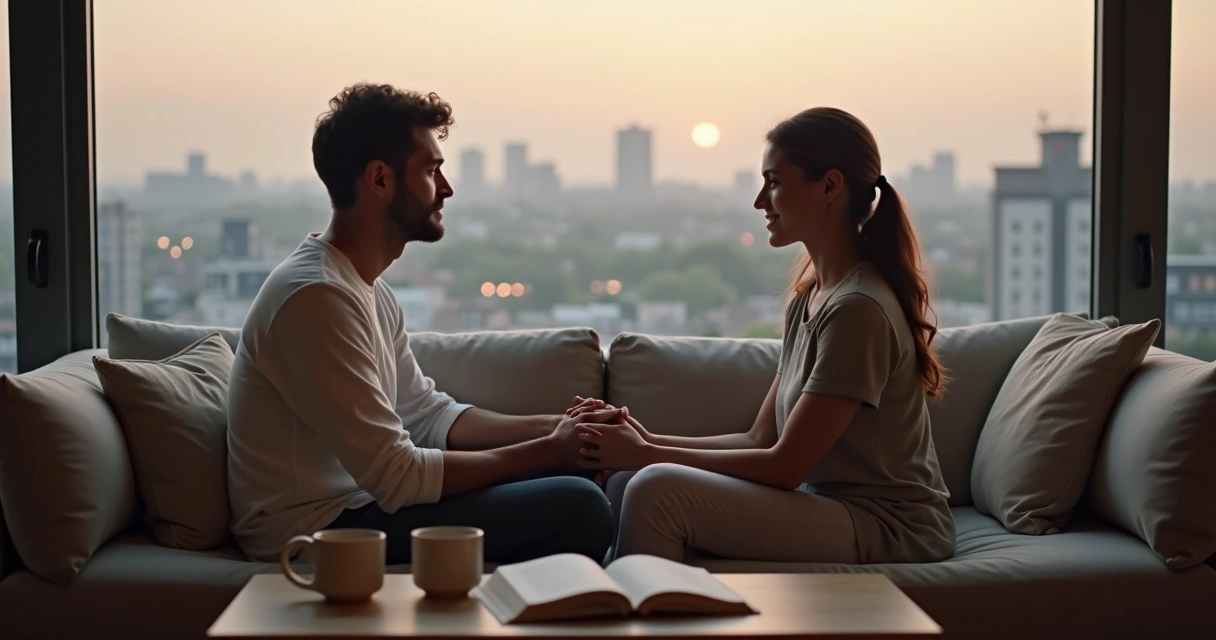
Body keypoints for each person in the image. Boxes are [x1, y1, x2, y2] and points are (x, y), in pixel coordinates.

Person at [226, 83, 616, 564]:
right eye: (432, 170)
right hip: (315, 528)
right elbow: (398, 475)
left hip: (364, 504)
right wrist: (549, 451)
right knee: (579, 506)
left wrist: (565, 429)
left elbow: (427, 416)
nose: (447, 188)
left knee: (582, 481)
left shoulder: (367, 287)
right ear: (380, 179)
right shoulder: (316, 297)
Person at [573, 107, 956, 565]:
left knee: (656, 490)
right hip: (834, 507)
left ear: (831, 186)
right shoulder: (812, 298)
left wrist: (648, 453)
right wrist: (643, 442)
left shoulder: (859, 309)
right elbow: (760, 440)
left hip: (891, 525)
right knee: (625, 480)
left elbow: (785, 467)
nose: (759, 200)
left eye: (774, 181)